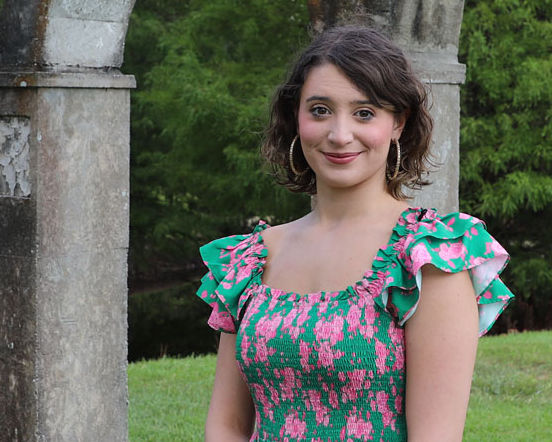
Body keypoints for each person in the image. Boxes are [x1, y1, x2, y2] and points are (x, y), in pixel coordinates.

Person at [197, 27, 514, 441]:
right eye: (320, 110)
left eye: (364, 113)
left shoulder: (427, 257)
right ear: (297, 117)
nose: (340, 134)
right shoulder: (251, 258)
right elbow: (227, 426)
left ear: (398, 122)